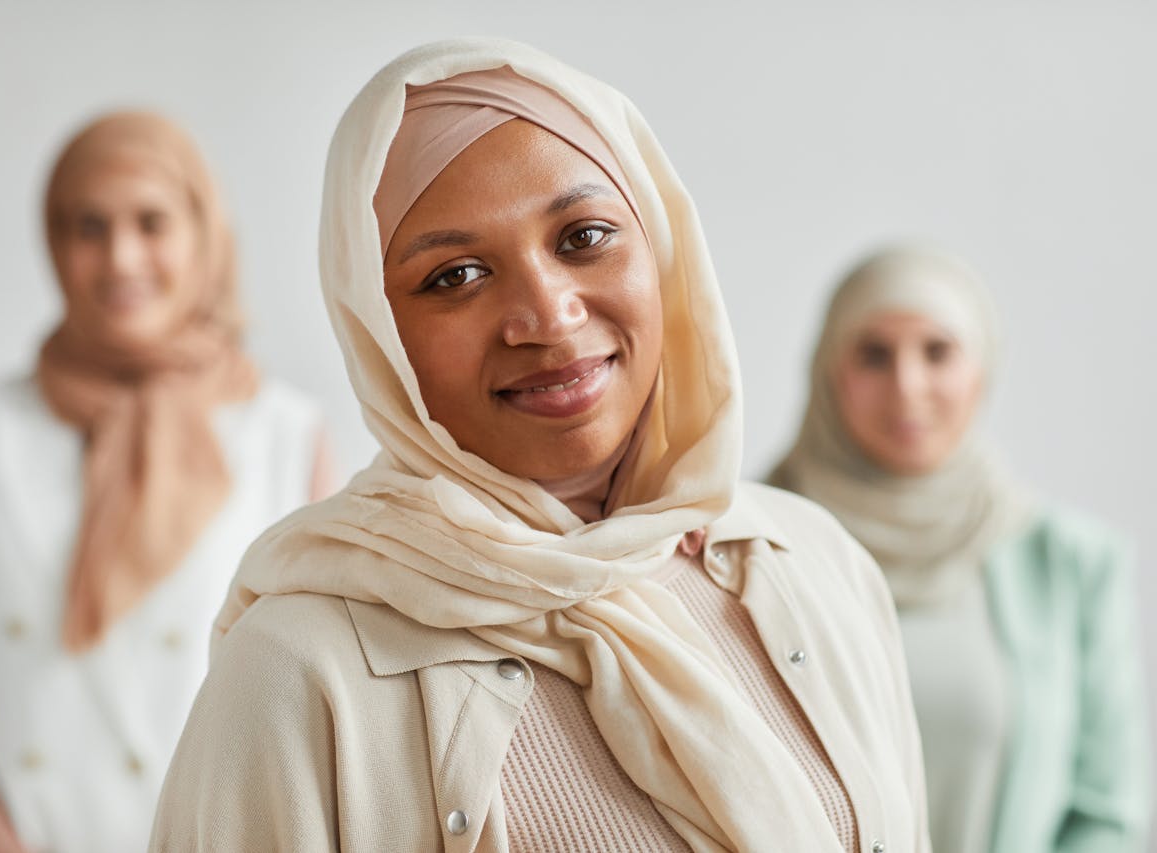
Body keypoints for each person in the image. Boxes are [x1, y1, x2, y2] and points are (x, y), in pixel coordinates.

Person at [150, 39, 930, 852]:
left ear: (661, 251)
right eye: (455, 276)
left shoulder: (813, 560)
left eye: (583, 237)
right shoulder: (297, 674)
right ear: (379, 336)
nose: (548, 316)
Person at [0, 111, 338, 853]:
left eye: (151, 222)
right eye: (88, 227)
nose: (121, 257)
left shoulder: (283, 433)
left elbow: (324, 685)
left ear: (202, 232)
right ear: (54, 243)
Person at [769, 246, 1151, 852]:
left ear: (982, 369)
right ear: (829, 370)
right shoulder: (749, 542)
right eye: (874, 354)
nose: (908, 385)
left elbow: (1106, 812)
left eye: (938, 352)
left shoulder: (1071, 562)